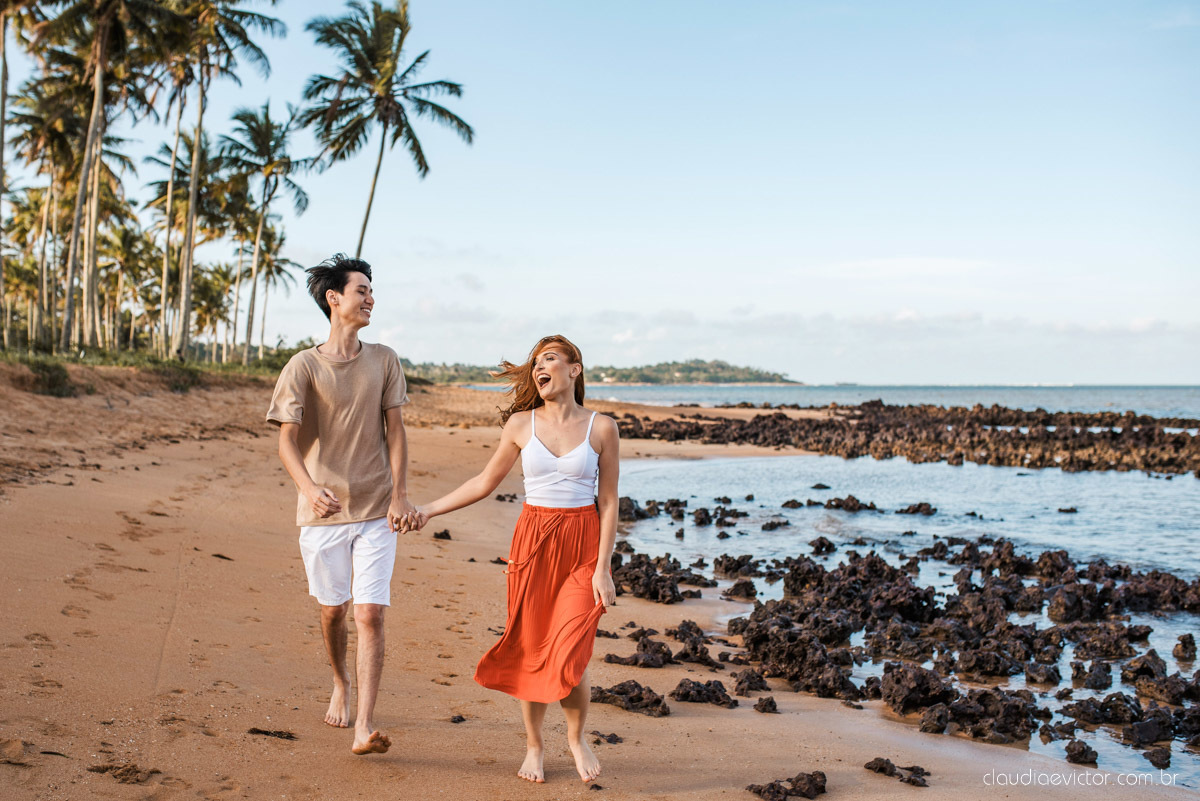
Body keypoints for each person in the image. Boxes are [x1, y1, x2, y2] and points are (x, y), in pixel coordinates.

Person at [412, 335, 619, 784]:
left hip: (582, 546)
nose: (540, 367)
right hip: (533, 544)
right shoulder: (521, 425)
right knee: (531, 647)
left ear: (574, 369)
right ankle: (534, 745)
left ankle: (576, 738)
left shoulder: (602, 427)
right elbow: (484, 482)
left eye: (550, 358)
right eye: (536, 362)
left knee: (570, 652)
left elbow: (608, 501)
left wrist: (603, 568)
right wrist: (428, 510)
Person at [265, 253, 417, 756]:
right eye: (362, 290)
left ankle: (364, 727)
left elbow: (396, 432)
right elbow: (286, 441)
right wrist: (309, 489)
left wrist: (399, 495)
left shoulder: (385, 359)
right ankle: (340, 681)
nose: (371, 298)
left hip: (376, 509)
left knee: (370, 614)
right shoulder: (303, 366)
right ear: (334, 298)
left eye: (371, 291)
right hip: (323, 513)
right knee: (334, 612)